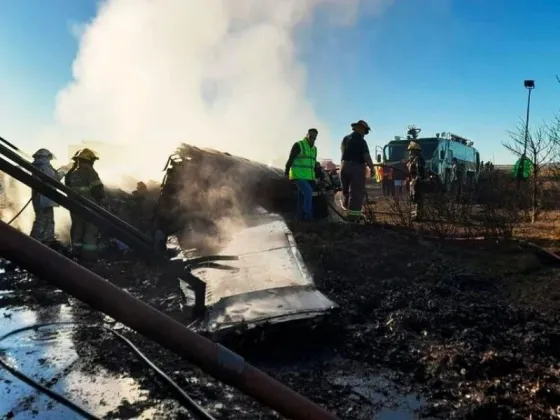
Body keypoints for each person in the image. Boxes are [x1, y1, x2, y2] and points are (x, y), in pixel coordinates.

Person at [64, 148, 104, 260]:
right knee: (91, 231)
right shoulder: (90, 172)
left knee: (77, 229)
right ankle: (88, 256)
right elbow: (97, 191)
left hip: (75, 207)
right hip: (89, 207)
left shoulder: (71, 173)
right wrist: (102, 200)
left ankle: (76, 253)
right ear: (90, 160)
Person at [29, 148, 70, 244]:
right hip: (45, 198)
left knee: (44, 218)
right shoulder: (45, 166)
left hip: (40, 197)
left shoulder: (38, 166)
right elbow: (54, 179)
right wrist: (64, 171)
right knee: (44, 219)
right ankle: (39, 240)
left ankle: (44, 239)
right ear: (46, 157)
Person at [340, 120, 374, 222]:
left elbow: (342, 151)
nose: (364, 133)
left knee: (346, 192)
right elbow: (366, 156)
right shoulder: (361, 141)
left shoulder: (346, 139)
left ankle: (345, 212)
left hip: (344, 167)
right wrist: (372, 168)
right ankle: (353, 219)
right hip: (357, 168)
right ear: (360, 128)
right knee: (356, 194)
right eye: (364, 131)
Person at [285, 128, 319, 221]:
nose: (312, 139)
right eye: (311, 136)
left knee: (302, 197)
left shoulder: (314, 149)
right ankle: (308, 216)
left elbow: (313, 163)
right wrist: (287, 172)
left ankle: (298, 219)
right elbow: (291, 159)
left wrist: (317, 173)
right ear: (307, 135)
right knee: (308, 191)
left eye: (314, 137)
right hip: (298, 175)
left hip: (307, 177)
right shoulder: (299, 145)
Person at [406, 141, 426, 221]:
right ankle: (417, 213)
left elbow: (419, 172)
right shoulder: (415, 159)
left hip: (417, 181)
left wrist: (416, 181)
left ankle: (418, 215)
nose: (409, 152)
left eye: (411, 151)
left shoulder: (418, 160)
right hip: (414, 180)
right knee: (415, 198)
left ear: (415, 151)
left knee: (417, 198)